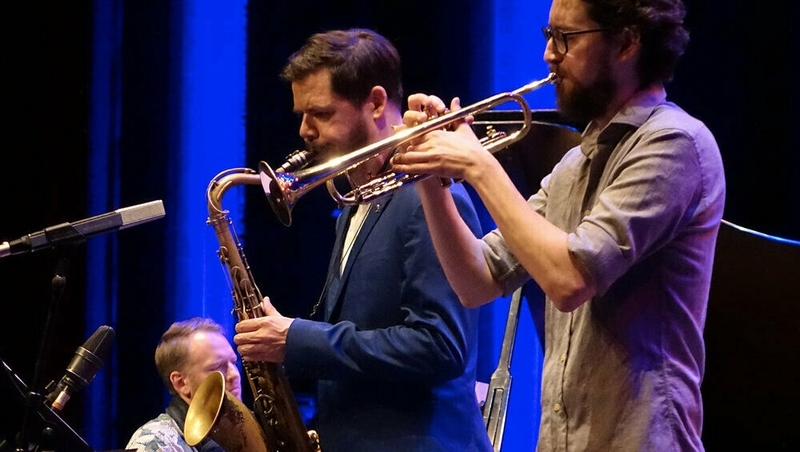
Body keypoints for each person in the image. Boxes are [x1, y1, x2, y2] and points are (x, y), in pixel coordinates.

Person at [390, 0, 726, 450]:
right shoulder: (573, 165)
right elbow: (476, 281)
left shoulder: (675, 143)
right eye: (548, 36)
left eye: (565, 38)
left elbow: (569, 280)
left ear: (626, 43)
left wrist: (478, 166)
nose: (549, 54)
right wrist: (431, 178)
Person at [233, 29, 492, 452]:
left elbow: (441, 345)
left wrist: (298, 339)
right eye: (300, 114)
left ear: (374, 103)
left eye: (320, 113)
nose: (304, 130)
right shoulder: (355, 200)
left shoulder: (429, 199)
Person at [125, 317, 242, 452]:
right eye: (217, 367)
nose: (234, 374)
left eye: (233, 363)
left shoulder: (243, 432)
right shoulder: (155, 442)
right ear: (181, 383)